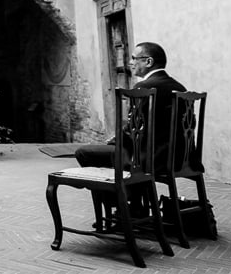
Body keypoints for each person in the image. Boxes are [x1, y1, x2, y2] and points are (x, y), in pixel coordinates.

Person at [74, 42, 186, 221]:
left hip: (151, 159)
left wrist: (115, 140)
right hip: (180, 158)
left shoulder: (144, 88)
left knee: (85, 153)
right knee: (122, 152)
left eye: (134, 58)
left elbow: (133, 130)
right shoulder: (180, 88)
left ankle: (121, 205)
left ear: (148, 61)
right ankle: (134, 204)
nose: (130, 62)